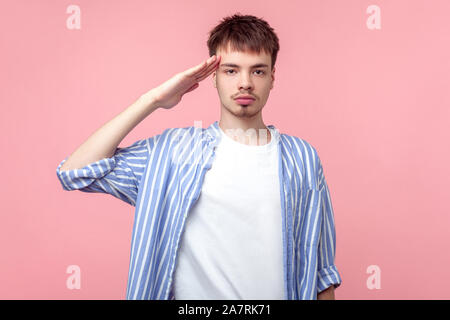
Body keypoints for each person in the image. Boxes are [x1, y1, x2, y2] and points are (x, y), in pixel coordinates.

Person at [56, 13, 342, 300]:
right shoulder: (173, 153)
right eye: (231, 70)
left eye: (257, 71)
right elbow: (76, 172)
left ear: (272, 77)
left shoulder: (302, 158)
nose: (245, 83)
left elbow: (321, 273)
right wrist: (152, 100)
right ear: (213, 77)